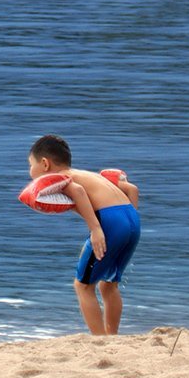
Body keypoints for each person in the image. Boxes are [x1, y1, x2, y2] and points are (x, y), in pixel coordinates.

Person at [27, 135, 140, 336]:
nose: (30, 172)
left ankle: (100, 340)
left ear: (45, 164)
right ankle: (112, 337)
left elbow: (77, 192)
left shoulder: (64, 178)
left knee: (83, 286)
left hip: (110, 222)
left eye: (30, 165)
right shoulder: (90, 175)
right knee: (109, 284)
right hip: (131, 219)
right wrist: (128, 222)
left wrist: (96, 229)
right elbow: (132, 188)